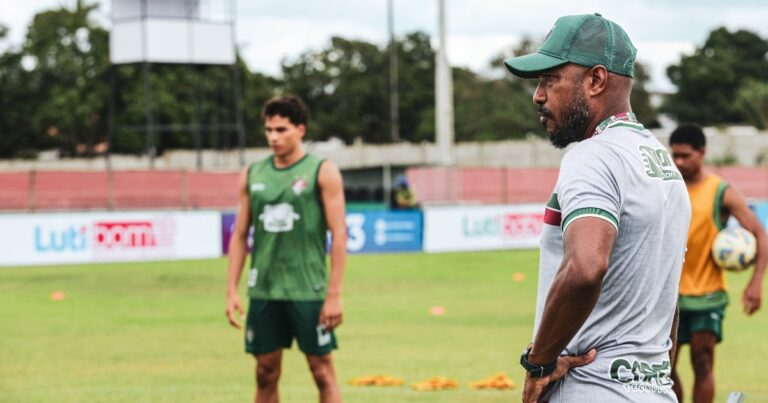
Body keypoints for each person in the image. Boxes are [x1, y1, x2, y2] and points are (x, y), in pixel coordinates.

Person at [504, 13, 691, 402]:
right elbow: (668, 298)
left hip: (593, 388)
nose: (538, 95)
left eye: (550, 79)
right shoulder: (662, 163)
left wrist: (539, 364)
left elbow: (586, 267)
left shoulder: (592, 156)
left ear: (595, 80)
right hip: (654, 391)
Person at [225, 95, 347, 403]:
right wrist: (231, 289)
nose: (273, 137)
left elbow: (339, 233)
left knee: (321, 371)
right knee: (265, 372)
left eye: (281, 129)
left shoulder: (322, 170)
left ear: (300, 130)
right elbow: (240, 235)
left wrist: (334, 294)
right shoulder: (253, 174)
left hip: (308, 289)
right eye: (268, 130)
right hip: (265, 290)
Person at [668, 125, 767, 403]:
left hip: (708, 295)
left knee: (702, 362)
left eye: (686, 156)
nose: (679, 162)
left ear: (702, 152)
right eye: (674, 155)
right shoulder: (666, 187)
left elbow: (760, 234)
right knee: (665, 368)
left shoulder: (721, 191)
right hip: (668, 296)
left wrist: (756, 283)